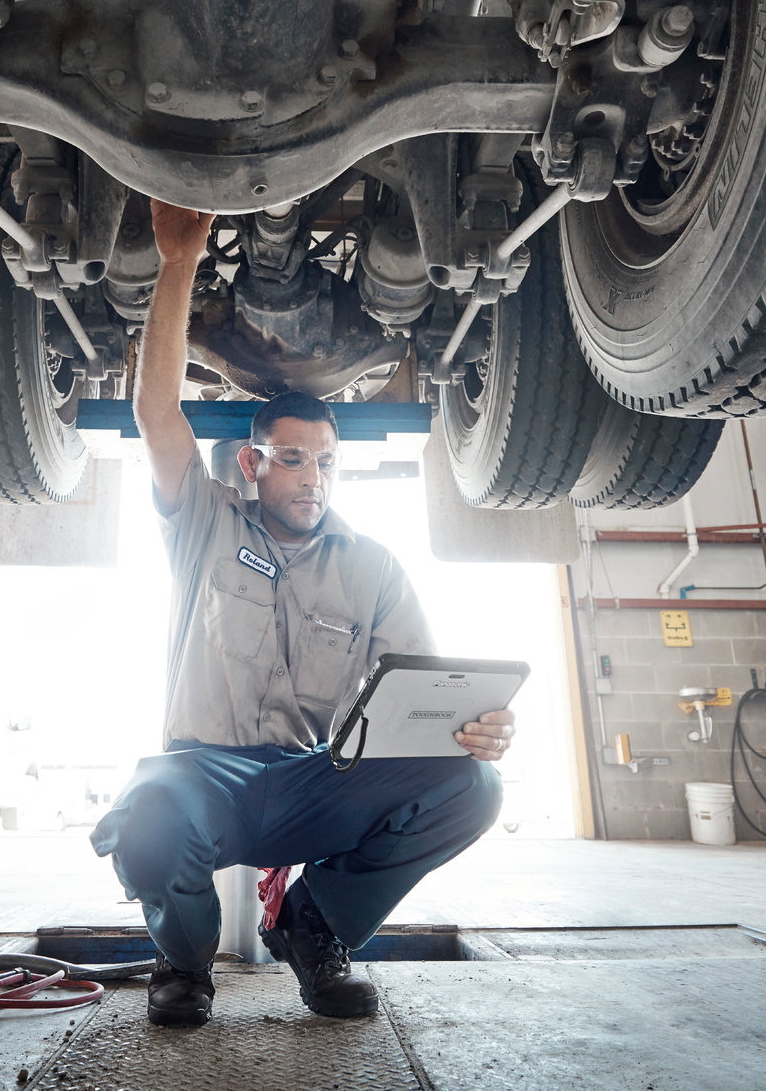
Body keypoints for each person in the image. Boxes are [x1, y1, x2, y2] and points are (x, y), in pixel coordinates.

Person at [89, 200, 518, 1028]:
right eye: (292, 459)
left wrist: (475, 728)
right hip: (205, 774)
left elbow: (424, 699)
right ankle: (184, 963)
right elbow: (157, 415)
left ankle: (315, 927)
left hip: (311, 780)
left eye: (325, 461)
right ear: (252, 464)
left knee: (473, 786)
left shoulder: (372, 568)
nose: (312, 477)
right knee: (146, 811)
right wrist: (178, 262)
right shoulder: (206, 524)